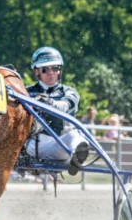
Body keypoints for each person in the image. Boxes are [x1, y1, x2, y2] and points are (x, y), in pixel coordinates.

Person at [23, 46, 89, 175]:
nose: (51, 72)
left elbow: (65, 106)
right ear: (36, 71)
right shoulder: (25, 92)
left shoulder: (69, 92)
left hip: (59, 146)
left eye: (55, 68)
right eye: (45, 69)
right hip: (30, 146)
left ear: (60, 71)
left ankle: (77, 158)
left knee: (76, 135)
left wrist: (48, 103)